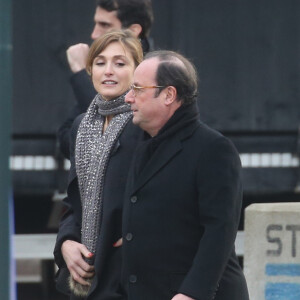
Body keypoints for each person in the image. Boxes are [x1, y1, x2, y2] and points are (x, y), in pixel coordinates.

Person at [123, 50, 250, 300]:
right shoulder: (143, 143)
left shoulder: (213, 149)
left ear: (169, 95)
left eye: (137, 89)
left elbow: (220, 230)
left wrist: (192, 293)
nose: (128, 98)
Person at [53, 30, 144, 299]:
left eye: (120, 63)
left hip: (129, 274)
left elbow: (165, 197)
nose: (109, 71)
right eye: (100, 62)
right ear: (90, 70)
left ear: (137, 70)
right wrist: (67, 243)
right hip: (86, 273)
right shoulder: (82, 125)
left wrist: (133, 235)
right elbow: (74, 201)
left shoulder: (144, 124)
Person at [58, 0, 154, 159]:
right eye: (101, 63)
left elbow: (121, 142)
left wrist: (81, 75)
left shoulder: (159, 74)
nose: (94, 34)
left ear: (133, 31)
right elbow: (67, 140)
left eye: (105, 25)